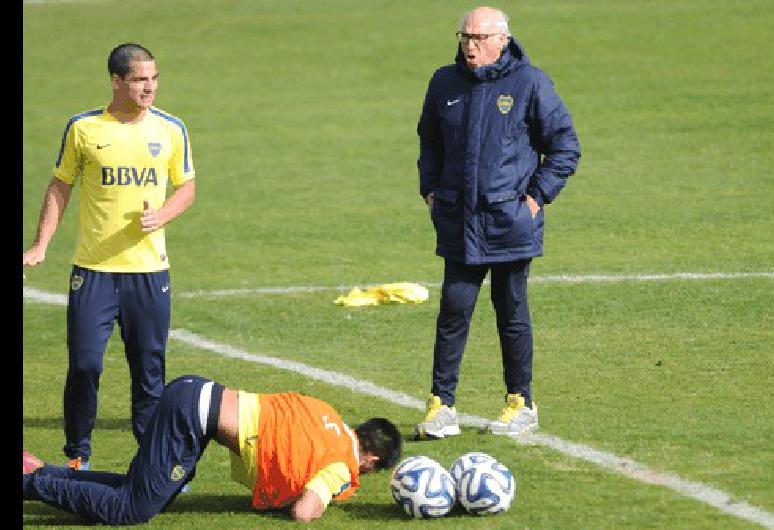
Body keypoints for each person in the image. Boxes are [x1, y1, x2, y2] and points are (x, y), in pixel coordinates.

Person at [22, 43, 196, 470]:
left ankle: (153, 461)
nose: (149, 87)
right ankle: (78, 454)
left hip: (149, 272)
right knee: (83, 365)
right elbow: (60, 185)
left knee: (149, 373)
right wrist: (40, 244)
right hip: (94, 272)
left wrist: (164, 216)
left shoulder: (172, 129)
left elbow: (187, 187)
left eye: (154, 78)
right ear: (116, 81)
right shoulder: (83, 128)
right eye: (139, 79)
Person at [414, 6, 580, 439]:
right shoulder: (443, 83)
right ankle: (440, 406)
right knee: (453, 312)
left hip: (508, 221)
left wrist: (536, 198)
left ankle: (520, 403)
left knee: (511, 312)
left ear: (503, 40)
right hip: (457, 219)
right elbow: (429, 141)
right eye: (466, 37)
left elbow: (565, 146)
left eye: (480, 38)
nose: (471, 46)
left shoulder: (529, 83)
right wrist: (430, 190)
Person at [22, 375, 403, 524]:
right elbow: (305, 512)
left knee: (154, 493)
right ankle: (31, 484)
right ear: (371, 459)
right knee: (132, 509)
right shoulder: (342, 463)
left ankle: (46, 473)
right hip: (192, 415)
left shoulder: (328, 415)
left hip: (195, 396)